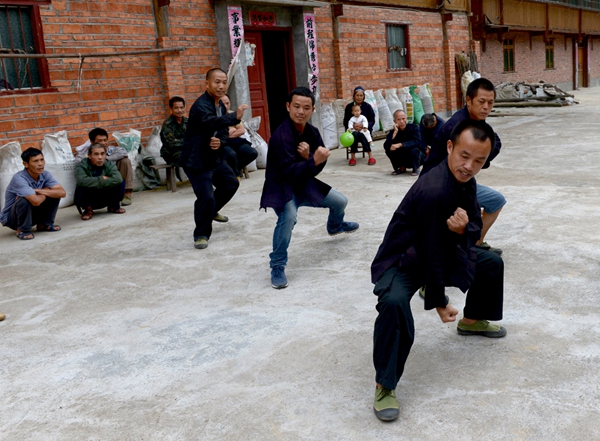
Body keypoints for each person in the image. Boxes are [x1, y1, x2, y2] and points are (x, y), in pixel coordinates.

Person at [370, 120, 506, 422]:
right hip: (403, 260)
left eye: (478, 161)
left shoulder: (464, 181)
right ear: (449, 148)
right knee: (393, 305)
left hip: (437, 252)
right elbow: (429, 249)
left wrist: (461, 231)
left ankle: (471, 321)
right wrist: (440, 301)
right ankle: (385, 384)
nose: (469, 166)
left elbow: (472, 223)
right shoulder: (434, 189)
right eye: (464, 156)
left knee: (490, 263)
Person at [260, 87, 359, 289]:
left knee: (340, 201)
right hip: (283, 188)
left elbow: (317, 167)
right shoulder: (280, 137)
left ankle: (335, 226)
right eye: (296, 106)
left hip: (304, 184)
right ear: (288, 107)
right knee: (288, 218)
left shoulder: (312, 132)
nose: (301, 112)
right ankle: (277, 265)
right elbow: (287, 172)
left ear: (312, 110)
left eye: (306, 107)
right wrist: (311, 161)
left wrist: (311, 160)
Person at [422, 78, 506, 255]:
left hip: (459, 182)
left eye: (490, 103)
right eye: (481, 102)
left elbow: (495, 141)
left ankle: (475, 243)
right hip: (439, 185)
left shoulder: (477, 121)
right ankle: (463, 248)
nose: (486, 107)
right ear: (469, 101)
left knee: (496, 200)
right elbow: (493, 143)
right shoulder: (458, 126)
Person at [179, 68, 249, 250]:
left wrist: (221, 141)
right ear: (207, 84)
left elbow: (223, 131)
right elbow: (211, 122)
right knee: (206, 196)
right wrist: (234, 117)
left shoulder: (221, 105)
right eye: (217, 82)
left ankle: (210, 211)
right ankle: (201, 234)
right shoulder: (201, 105)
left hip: (213, 157)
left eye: (224, 82)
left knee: (230, 183)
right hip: (196, 160)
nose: (221, 86)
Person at [0, 147, 66, 240]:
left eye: (42, 160)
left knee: (54, 194)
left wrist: (38, 190)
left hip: (31, 214)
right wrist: (46, 191)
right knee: (24, 199)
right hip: (12, 219)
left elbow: (62, 193)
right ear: (26, 164)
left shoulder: (45, 174)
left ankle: (44, 224)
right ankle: (22, 230)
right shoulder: (19, 178)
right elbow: (35, 201)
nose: (40, 164)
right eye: (35, 161)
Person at [74, 143, 126, 220]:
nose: (100, 157)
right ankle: (88, 210)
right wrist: (102, 179)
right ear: (89, 156)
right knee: (81, 187)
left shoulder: (109, 164)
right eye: (96, 154)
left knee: (121, 182)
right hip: (90, 198)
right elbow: (82, 181)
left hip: (105, 196)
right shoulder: (82, 165)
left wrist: (94, 182)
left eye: (102, 154)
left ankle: (113, 206)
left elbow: (117, 179)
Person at [88, 128, 134, 206]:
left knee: (125, 161)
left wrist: (104, 159)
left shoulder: (113, 150)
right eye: (100, 141)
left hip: (116, 179)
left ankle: (127, 193)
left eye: (105, 140)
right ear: (92, 142)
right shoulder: (88, 154)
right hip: (101, 183)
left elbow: (124, 153)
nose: (103, 143)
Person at [221, 93, 258, 179]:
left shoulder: (234, 114)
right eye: (223, 104)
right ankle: (236, 174)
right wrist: (231, 130)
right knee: (232, 154)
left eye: (227, 103)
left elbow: (241, 130)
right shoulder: (215, 116)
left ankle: (235, 169)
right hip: (223, 143)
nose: (226, 106)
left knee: (252, 153)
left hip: (236, 141)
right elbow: (219, 134)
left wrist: (228, 133)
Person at [383, 110, 424, 176]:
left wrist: (400, 145)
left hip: (417, 156)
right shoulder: (393, 131)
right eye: (398, 119)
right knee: (389, 150)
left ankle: (416, 168)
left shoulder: (414, 127)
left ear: (406, 119)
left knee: (414, 150)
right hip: (403, 157)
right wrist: (395, 133)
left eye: (403, 119)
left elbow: (417, 141)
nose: (401, 121)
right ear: (394, 121)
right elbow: (386, 146)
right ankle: (401, 168)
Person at [342, 86, 376, 166]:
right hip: (353, 130)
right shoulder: (349, 107)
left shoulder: (367, 107)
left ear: (364, 96)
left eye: (361, 95)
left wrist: (364, 126)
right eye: (357, 95)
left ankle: (370, 157)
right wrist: (353, 126)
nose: (359, 97)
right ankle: (353, 158)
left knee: (362, 136)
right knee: (353, 136)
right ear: (354, 96)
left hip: (364, 130)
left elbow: (372, 120)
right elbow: (345, 121)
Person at [160, 96, 188, 173]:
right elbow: (171, 144)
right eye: (176, 108)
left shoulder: (187, 121)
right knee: (191, 159)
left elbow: (195, 138)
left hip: (186, 150)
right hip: (171, 154)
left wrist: (179, 140)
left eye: (182, 107)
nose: (179, 110)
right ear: (171, 109)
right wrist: (187, 140)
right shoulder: (167, 124)